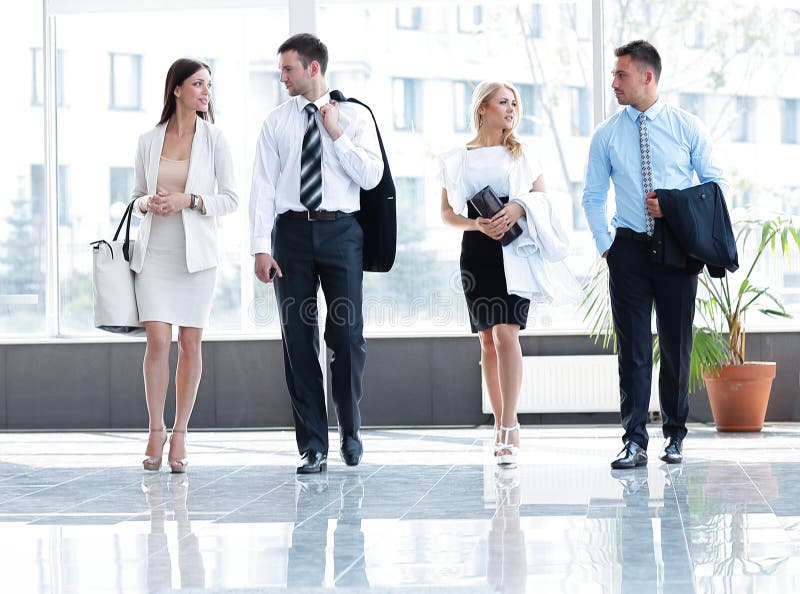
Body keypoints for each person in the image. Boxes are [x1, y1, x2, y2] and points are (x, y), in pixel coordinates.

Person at [581, 40, 728, 469]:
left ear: (648, 77)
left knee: (677, 346)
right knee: (633, 349)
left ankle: (675, 436)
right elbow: (592, 196)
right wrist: (606, 247)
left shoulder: (687, 127)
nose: (613, 83)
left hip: (677, 249)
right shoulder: (606, 134)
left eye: (621, 75)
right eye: (613, 75)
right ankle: (634, 440)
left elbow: (715, 187)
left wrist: (672, 205)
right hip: (625, 249)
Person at [249, 34, 383, 474]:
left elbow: (371, 177)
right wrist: (260, 249)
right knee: (298, 341)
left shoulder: (356, 116)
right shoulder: (276, 122)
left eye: (287, 69)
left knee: (346, 337)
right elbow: (263, 188)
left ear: (313, 68)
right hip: (290, 236)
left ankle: (350, 432)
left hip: (342, 231)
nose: (281, 77)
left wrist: (336, 133)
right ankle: (312, 446)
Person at [132, 58, 239, 473]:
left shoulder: (215, 139)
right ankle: (155, 430)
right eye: (198, 84)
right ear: (177, 89)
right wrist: (150, 203)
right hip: (155, 251)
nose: (205, 92)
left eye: (209, 85)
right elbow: (135, 196)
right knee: (157, 342)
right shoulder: (148, 139)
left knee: (190, 344)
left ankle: (180, 434)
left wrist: (189, 201)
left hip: (197, 257)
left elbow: (229, 198)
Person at [439, 81, 546, 466]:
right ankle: (500, 423)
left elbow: (542, 199)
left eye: (514, 103)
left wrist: (516, 209)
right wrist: (477, 225)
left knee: (505, 333)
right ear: (482, 108)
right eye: (504, 102)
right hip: (478, 251)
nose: (511, 109)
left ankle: (509, 425)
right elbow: (448, 214)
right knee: (486, 341)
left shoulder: (522, 154)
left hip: (515, 249)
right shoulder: (457, 158)